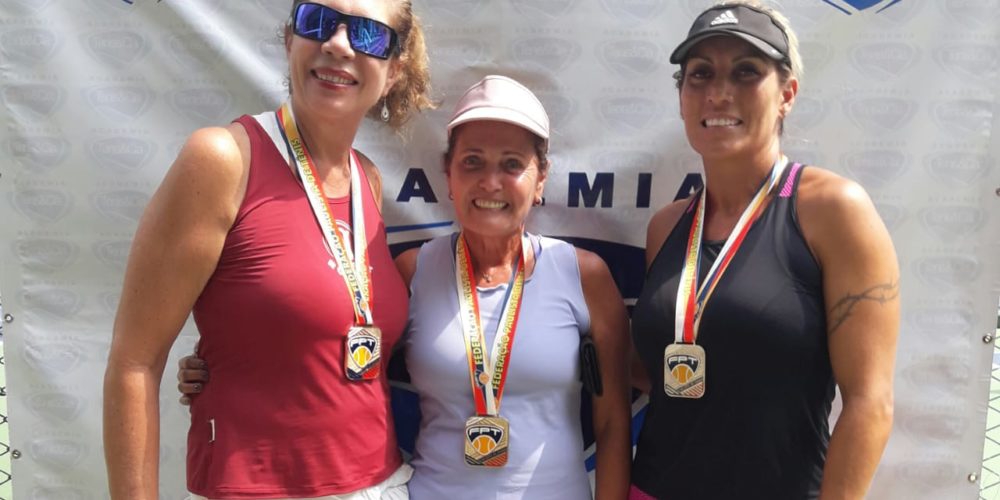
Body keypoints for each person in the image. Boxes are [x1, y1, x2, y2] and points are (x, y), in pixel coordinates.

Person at [179, 75, 633, 499]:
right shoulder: (414, 272)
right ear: (449, 175)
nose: (490, 182)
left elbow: (613, 423)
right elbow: (328, 357)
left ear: (540, 180)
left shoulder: (582, 275)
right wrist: (224, 366)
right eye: (472, 162)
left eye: (512, 165)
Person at [103, 0, 432, 498]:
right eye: (317, 21)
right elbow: (134, 365)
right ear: (290, 41)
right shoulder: (222, 159)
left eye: (367, 34)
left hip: (382, 483)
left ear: (393, 73)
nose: (337, 44)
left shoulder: (367, 179)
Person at [629, 2, 899, 499]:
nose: (719, 93)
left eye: (746, 72)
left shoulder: (833, 210)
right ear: (682, 98)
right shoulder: (666, 226)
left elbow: (870, 403)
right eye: (700, 74)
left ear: (787, 94)